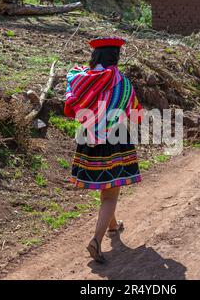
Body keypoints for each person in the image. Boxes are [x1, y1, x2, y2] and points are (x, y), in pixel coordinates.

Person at [64, 37, 143, 263]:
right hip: (114, 139)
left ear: (95, 56)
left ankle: (113, 226)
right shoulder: (122, 83)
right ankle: (96, 241)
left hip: (88, 138)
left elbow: (73, 104)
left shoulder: (80, 79)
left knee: (108, 185)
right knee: (111, 192)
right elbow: (135, 113)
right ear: (116, 57)